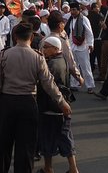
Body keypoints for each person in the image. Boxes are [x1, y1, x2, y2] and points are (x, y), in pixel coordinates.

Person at [0, 22, 72, 173]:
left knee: (4, 145)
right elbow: (49, 83)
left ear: (15, 37)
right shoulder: (37, 57)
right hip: (28, 103)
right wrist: (62, 102)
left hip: (7, 102)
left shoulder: (5, 54)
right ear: (32, 37)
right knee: (26, 146)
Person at [37, 36, 79, 173]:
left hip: (51, 106)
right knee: (65, 137)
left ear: (55, 48)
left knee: (47, 138)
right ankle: (73, 168)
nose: (44, 50)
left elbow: (48, 86)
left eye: (46, 47)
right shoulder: (62, 60)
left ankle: (48, 168)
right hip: (62, 105)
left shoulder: (52, 65)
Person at [65, 2, 95, 93]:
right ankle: (74, 84)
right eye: (71, 10)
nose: (72, 12)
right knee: (73, 66)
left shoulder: (84, 19)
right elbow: (69, 33)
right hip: (72, 46)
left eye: (74, 10)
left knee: (85, 66)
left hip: (83, 46)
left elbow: (89, 32)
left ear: (79, 10)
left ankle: (90, 85)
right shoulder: (70, 20)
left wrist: (90, 44)